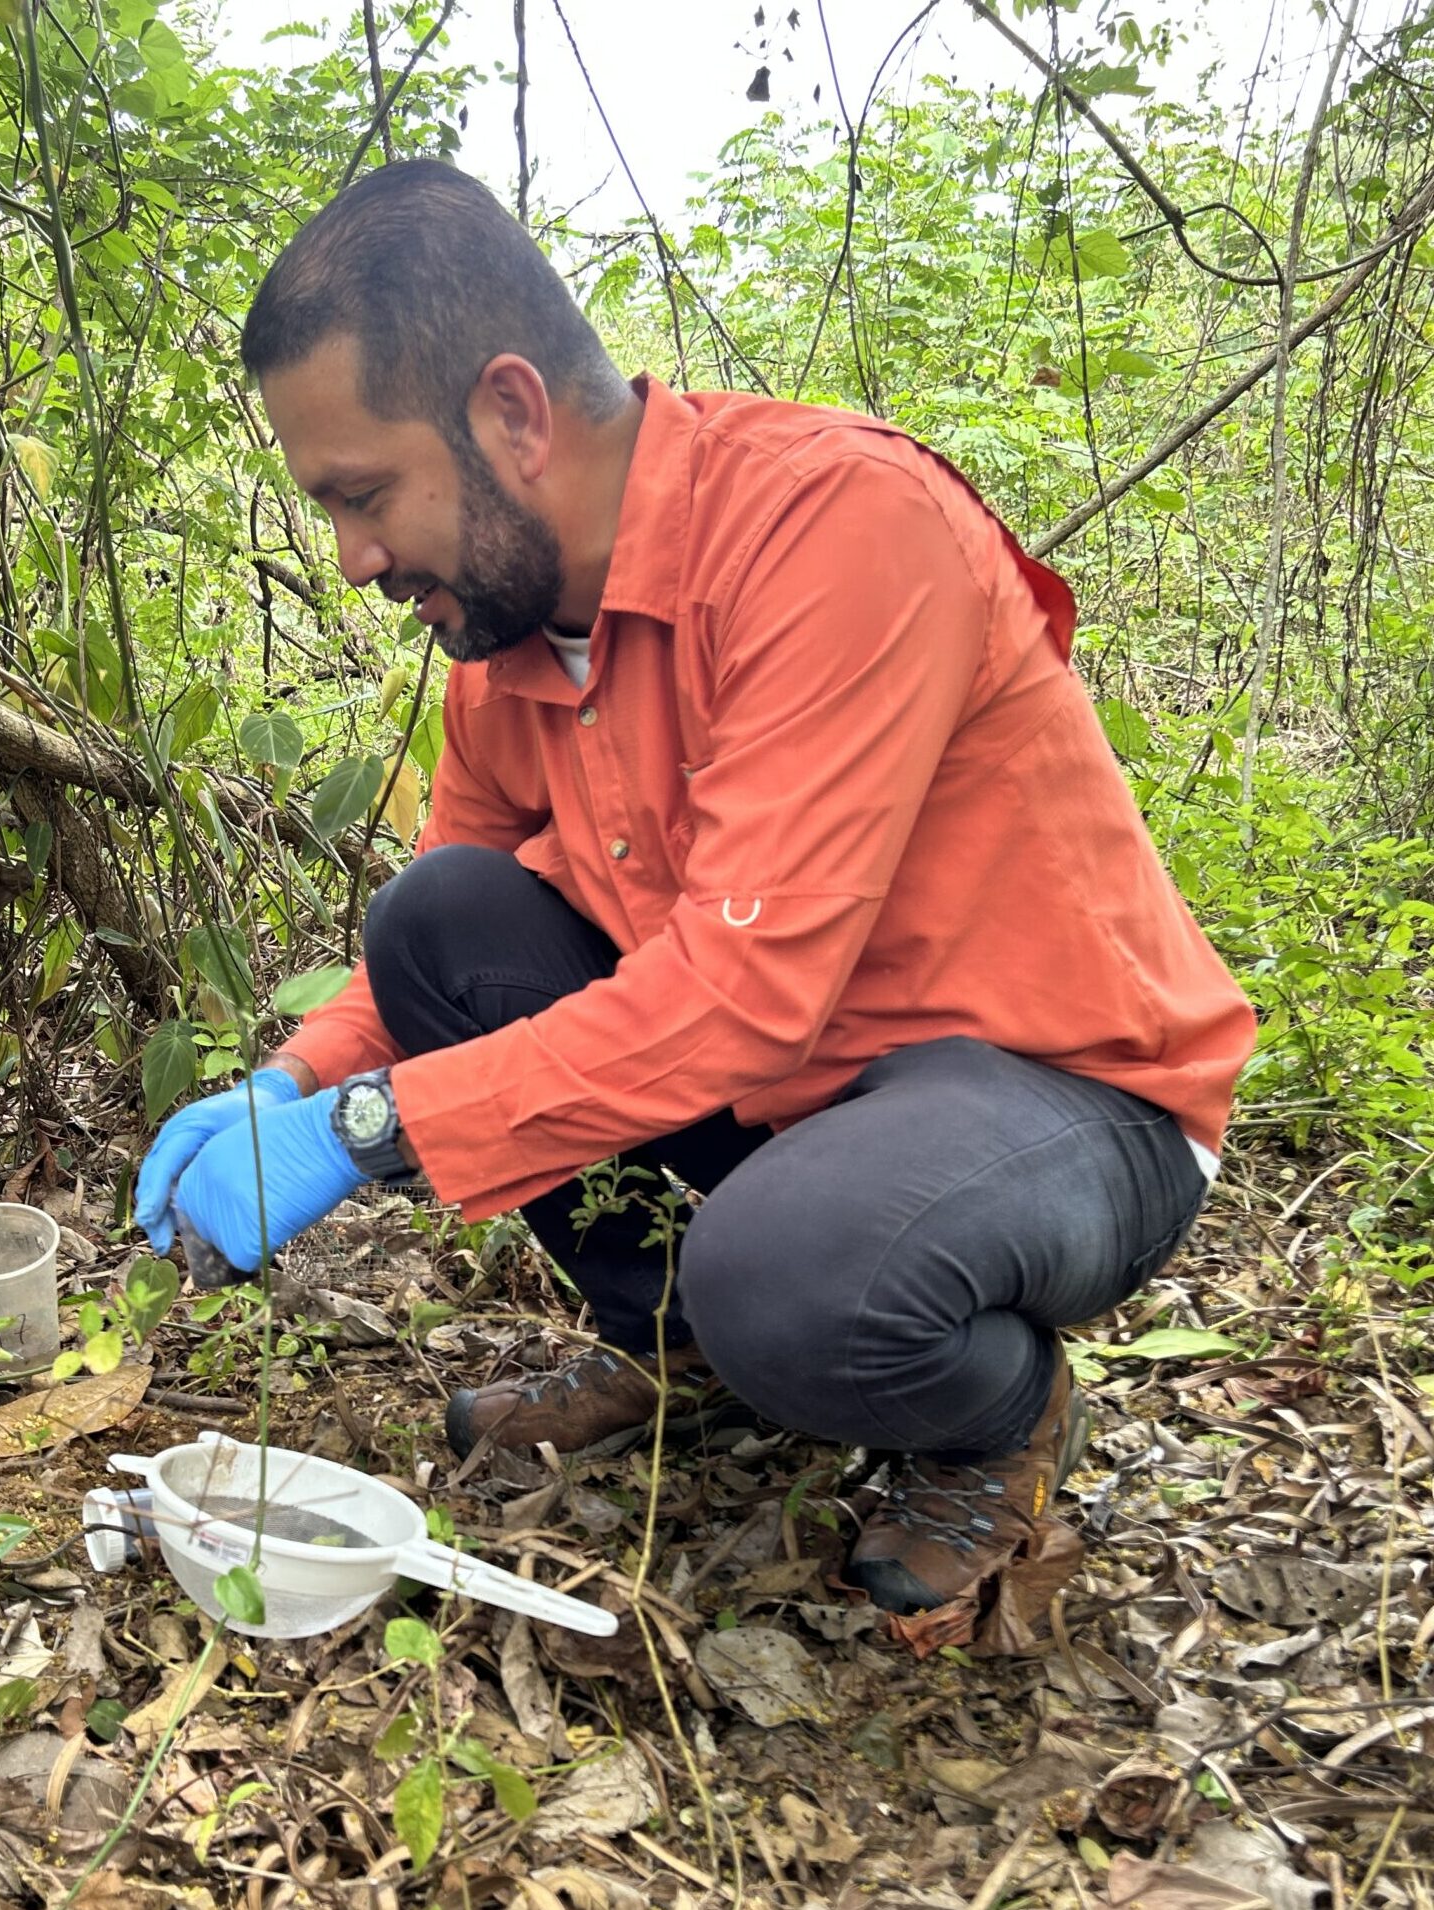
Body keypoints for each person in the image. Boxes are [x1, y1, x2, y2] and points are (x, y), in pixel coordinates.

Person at [134, 160, 1256, 1616]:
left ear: (514, 413)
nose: (354, 561)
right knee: (439, 920)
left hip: (1066, 1104)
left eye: (365, 495)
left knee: (785, 1269)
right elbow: (438, 944)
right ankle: (670, 1346)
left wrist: (367, 1128)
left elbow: (741, 995)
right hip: (798, 1098)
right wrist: (290, 1082)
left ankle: (998, 1414)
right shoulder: (508, 643)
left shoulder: (833, 527)